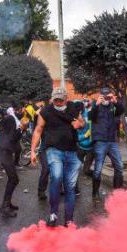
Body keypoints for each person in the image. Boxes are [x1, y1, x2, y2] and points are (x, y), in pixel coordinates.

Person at [30, 88, 84, 227]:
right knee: (57, 176)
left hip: (72, 151)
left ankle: (69, 220)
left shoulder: (73, 107)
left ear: (66, 98)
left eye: (61, 99)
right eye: (56, 99)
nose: (58, 102)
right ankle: (53, 213)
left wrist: (79, 124)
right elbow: (38, 130)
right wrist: (32, 151)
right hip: (53, 150)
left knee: (70, 187)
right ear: (52, 99)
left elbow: (82, 123)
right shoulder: (46, 111)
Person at [88, 87, 124, 202]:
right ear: (100, 96)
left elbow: (121, 111)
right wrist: (96, 105)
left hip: (112, 141)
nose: (106, 99)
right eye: (104, 96)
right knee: (98, 169)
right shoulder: (95, 106)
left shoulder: (113, 107)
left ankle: (117, 193)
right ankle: (95, 194)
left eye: (108, 96)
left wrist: (116, 102)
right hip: (100, 141)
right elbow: (90, 117)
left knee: (119, 166)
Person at [0, 104, 25, 218]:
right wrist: (21, 129)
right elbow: (12, 138)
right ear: (18, 109)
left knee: (13, 179)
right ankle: (5, 207)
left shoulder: (8, 119)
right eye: (22, 110)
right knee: (13, 179)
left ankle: (7, 203)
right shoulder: (11, 120)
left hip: (4, 151)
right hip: (4, 152)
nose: (22, 112)